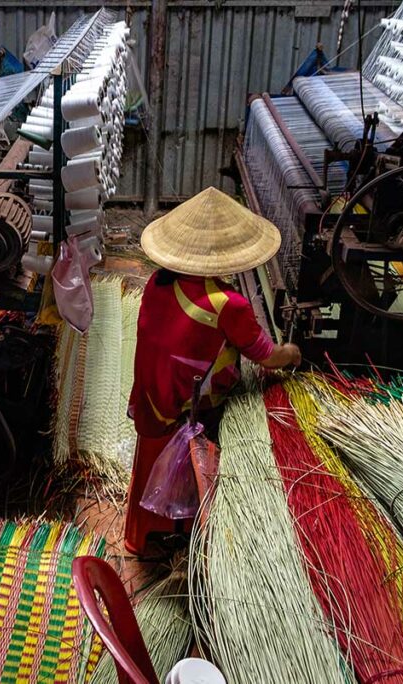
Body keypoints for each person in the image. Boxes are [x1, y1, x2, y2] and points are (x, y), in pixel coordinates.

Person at [125, 185, 301, 556]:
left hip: (151, 391)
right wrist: (293, 353)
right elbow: (266, 356)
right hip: (185, 406)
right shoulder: (228, 304)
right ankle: (184, 528)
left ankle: (141, 531)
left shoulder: (159, 280)